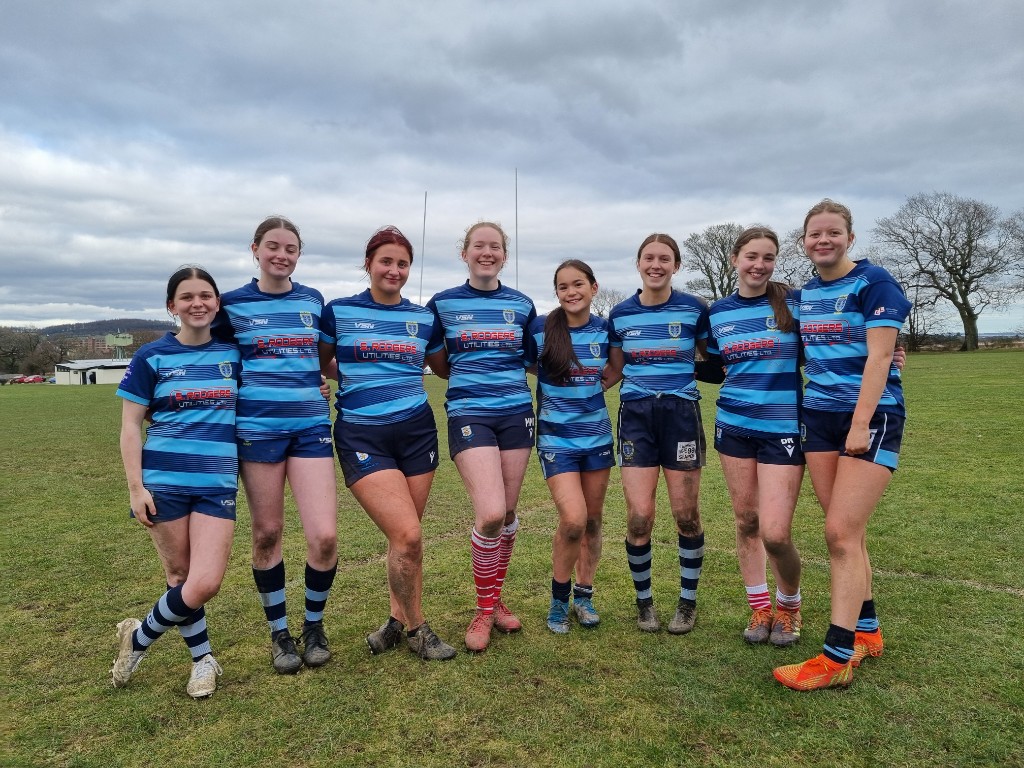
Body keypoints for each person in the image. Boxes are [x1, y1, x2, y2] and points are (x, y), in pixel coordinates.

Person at [773, 199, 911, 691]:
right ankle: (867, 630)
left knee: (839, 534)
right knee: (846, 533)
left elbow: (879, 358)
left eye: (833, 232)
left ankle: (836, 658)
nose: (823, 240)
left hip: (868, 420)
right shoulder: (806, 294)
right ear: (804, 241)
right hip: (819, 419)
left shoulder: (875, 283)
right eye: (814, 234)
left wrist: (860, 422)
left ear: (850, 237)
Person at [318, 225, 456, 661]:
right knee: (408, 534)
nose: (394, 270)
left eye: (402, 263)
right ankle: (418, 629)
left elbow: (445, 368)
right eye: (386, 261)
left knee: (404, 541)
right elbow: (314, 363)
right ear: (368, 264)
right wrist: (326, 381)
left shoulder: (424, 319)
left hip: (417, 432)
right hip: (362, 433)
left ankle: (396, 621)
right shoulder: (337, 312)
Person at [214, 216, 338, 674]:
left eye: (290, 248)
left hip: (309, 427)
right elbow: (212, 359)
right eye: (273, 246)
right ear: (255, 249)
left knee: (324, 536)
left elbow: (322, 360)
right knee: (267, 534)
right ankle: (279, 633)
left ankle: (313, 625)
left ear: (298, 255)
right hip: (257, 431)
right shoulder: (232, 304)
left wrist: (321, 383)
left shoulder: (312, 300)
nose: (281, 255)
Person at [111, 266, 240, 698]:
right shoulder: (151, 357)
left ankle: (139, 638)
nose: (197, 303)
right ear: (172, 307)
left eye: (206, 295)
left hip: (217, 482)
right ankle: (202, 660)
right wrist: (135, 487)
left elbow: (262, 398)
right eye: (187, 297)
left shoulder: (233, 356)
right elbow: (130, 426)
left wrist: (313, 388)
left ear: (217, 303)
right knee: (179, 574)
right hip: (163, 481)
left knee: (205, 581)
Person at [426, 221, 536, 652]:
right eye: (478, 246)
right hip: (469, 413)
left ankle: (494, 601)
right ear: (465, 253)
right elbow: (438, 361)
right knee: (489, 513)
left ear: (504, 255)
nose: (486, 253)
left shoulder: (521, 305)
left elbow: (532, 360)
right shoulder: (443, 303)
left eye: (495, 247)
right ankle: (482, 609)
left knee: (507, 514)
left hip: (516, 414)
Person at [704, 227, 805, 647]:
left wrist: (891, 354)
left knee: (776, 532)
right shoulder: (717, 312)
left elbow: (834, 341)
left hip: (782, 427)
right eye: (751, 256)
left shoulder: (794, 302)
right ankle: (760, 607)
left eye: (767, 257)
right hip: (734, 425)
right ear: (735, 259)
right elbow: (709, 366)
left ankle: (789, 608)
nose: (759, 265)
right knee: (747, 522)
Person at [605, 233, 711, 634]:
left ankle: (687, 602)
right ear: (638, 264)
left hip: (681, 413)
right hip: (636, 416)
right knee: (639, 518)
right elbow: (613, 371)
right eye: (649, 258)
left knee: (686, 515)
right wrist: (569, 389)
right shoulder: (620, 314)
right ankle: (644, 603)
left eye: (664, 259)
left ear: (676, 265)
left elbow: (716, 355)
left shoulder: (695, 308)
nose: (656, 265)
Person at [525, 260, 613, 634]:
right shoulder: (541, 329)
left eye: (578, 284)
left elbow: (614, 370)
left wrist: (588, 392)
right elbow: (529, 367)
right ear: (557, 293)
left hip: (597, 438)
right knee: (573, 520)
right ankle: (559, 601)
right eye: (563, 287)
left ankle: (584, 596)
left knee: (592, 522)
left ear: (594, 288)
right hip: (555, 441)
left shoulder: (607, 331)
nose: (571, 292)